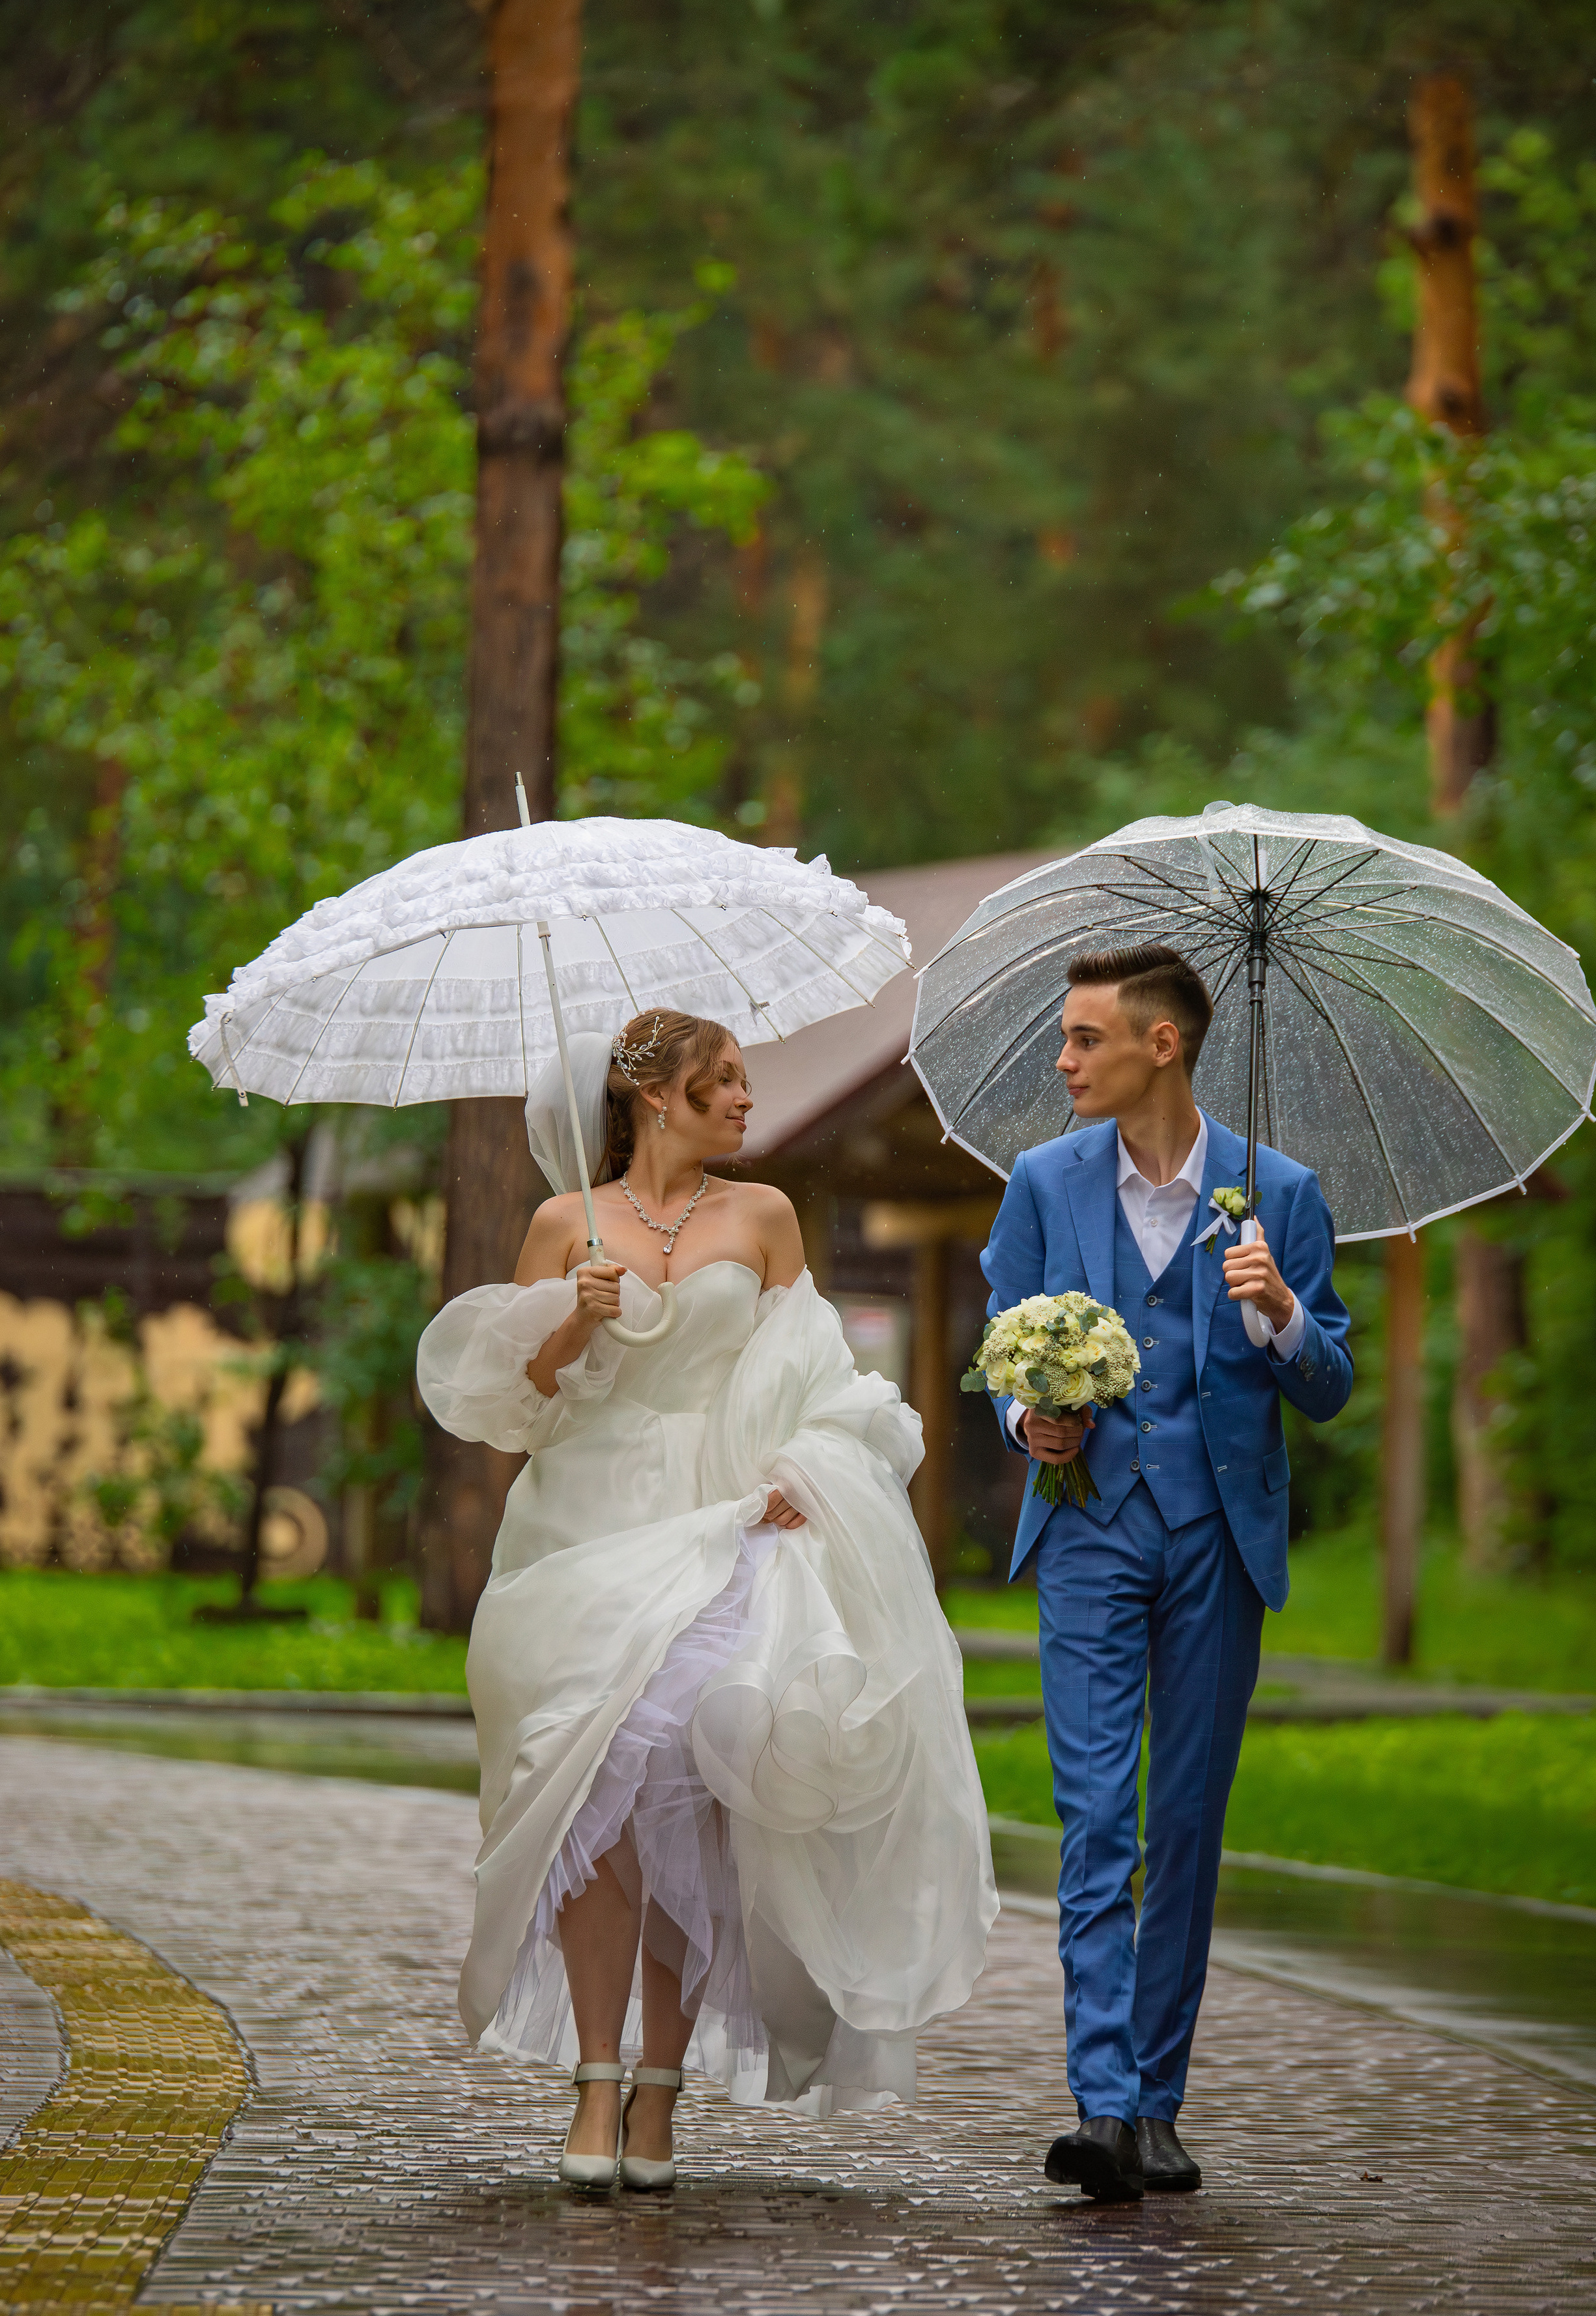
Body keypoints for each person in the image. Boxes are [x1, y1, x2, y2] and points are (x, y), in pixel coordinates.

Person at [417, 1010, 996, 2192]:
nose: (744, 1098)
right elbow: (517, 1406)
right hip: (584, 1526)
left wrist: (802, 1470)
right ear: (653, 1100)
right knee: (590, 1781)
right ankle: (592, 2073)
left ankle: (660, 2092)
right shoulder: (559, 1222)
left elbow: (819, 1375)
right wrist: (569, 1314)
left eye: (741, 1079)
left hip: (723, 1515)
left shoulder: (765, 1216)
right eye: (720, 1082)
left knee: (686, 1771)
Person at [980, 943, 1352, 2203]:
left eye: (1085, 1039)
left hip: (1218, 1538)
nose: (1065, 1060)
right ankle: (1101, 2106)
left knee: (1185, 1824)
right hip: (1087, 1524)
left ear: (1162, 1045)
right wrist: (1030, 1424)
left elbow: (1332, 1383)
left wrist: (1283, 1315)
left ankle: (1159, 2104)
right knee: (1095, 1821)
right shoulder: (1041, 1182)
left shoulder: (1278, 1193)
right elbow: (996, 1348)